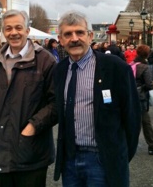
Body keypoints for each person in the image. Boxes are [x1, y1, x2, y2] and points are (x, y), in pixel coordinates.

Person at [53, 11, 141, 186]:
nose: (74, 38)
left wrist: (120, 156)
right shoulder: (59, 71)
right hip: (70, 161)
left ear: (90, 36)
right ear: (61, 40)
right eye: (68, 34)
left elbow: (132, 117)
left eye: (80, 32)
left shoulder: (115, 68)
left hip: (102, 160)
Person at [0, 10, 57, 187]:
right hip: (0, 150)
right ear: (3, 32)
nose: (13, 32)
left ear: (27, 30)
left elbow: (57, 103)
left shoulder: (45, 61)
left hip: (31, 151)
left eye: (18, 27)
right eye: (8, 28)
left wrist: (33, 126)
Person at [132, 44, 153, 156]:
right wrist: (151, 84)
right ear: (147, 54)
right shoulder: (145, 67)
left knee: (137, 122)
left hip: (132, 96)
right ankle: (152, 147)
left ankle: (146, 146)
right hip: (141, 98)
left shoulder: (132, 65)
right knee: (145, 123)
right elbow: (149, 85)